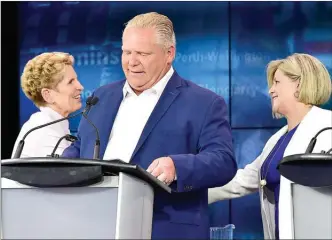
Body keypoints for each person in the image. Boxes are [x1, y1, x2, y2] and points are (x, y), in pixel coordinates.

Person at [62, 12, 237, 239]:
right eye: (126, 52)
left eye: (142, 53)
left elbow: (224, 161)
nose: (132, 61)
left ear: (169, 54)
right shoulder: (101, 96)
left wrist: (177, 166)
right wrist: (59, 165)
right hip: (93, 225)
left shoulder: (204, 102)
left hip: (163, 228)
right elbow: (81, 148)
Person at [209, 53, 332, 239]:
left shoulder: (327, 126)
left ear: (298, 84)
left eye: (277, 82)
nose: (271, 90)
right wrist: (191, 193)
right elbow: (242, 180)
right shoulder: (277, 140)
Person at [12, 52, 84, 158]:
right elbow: (68, 172)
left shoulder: (51, 123)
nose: (80, 86)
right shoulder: (43, 131)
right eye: (70, 82)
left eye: (76, 80)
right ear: (48, 95)